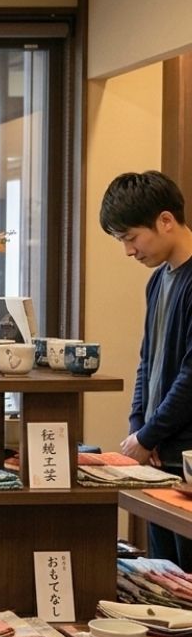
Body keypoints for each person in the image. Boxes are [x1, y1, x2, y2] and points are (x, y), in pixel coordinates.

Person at [101, 170, 192, 568]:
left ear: (166, 220)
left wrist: (149, 434)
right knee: (162, 580)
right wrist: (139, 428)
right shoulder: (157, 282)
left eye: (131, 237)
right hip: (157, 454)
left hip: (185, 456)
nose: (129, 251)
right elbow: (146, 360)